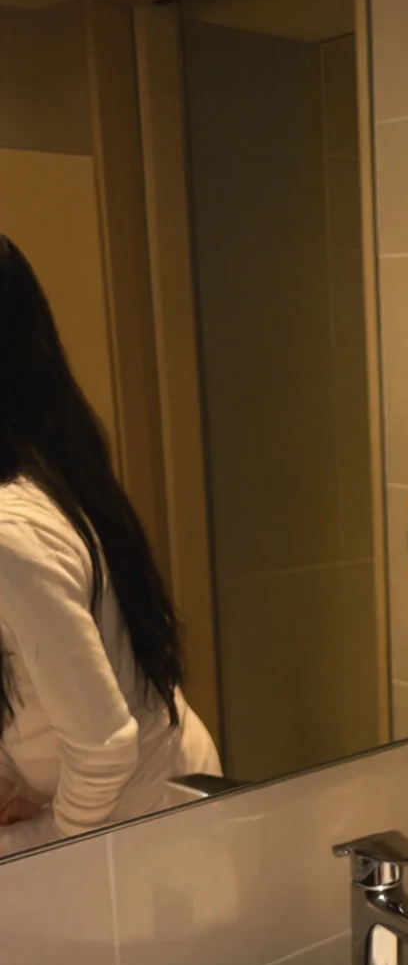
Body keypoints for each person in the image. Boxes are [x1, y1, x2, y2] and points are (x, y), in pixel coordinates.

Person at [0, 236, 220, 855]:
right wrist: (18, 784)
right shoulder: (50, 458)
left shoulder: (11, 528)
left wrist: (57, 849)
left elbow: (103, 749)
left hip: (140, 814)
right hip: (119, 797)